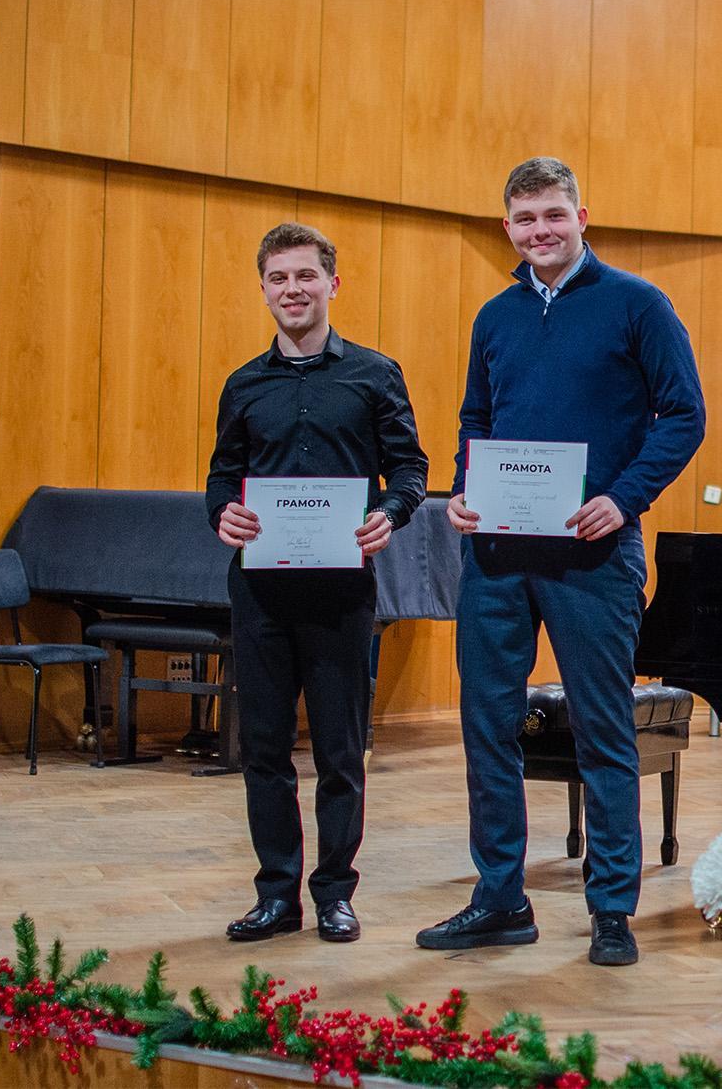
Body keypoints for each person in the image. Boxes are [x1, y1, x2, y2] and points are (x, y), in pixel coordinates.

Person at [423, 157, 705, 966]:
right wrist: (463, 489)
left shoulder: (638, 305)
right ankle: (500, 900)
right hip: (499, 555)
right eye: (524, 219)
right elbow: (478, 415)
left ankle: (612, 908)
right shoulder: (495, 316)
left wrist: (624, 497)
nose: (539, 230)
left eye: (553, 214)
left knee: (604, 731)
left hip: (594, 553)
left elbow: (684, 414)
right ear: (506, 226)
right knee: (486, 728)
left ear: (584, 215)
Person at [206, 222, 429, 945]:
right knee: (263, 750)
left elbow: (411, 470)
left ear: (334, 283)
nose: (292, 290)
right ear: (263, 288)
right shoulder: (244, 383)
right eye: (278, 279)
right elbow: (220, 475)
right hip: (261, 592)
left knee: (340, 752)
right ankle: (277, 896)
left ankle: (335, 892)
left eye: (305, 276)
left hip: (341, 593)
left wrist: (389, 512)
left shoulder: (374, 374)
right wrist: (224, 514)